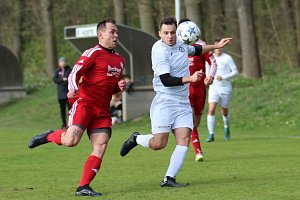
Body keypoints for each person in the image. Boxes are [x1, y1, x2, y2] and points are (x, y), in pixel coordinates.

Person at [120, 17, 232, 188]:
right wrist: (191, 78)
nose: (170, 36)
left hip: (182, 102)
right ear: (160, 33)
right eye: (166, 33)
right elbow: (166, 80)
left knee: (184, 138)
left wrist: (217, 46)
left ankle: (169, 178)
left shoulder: (181, 43)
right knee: (159, 144)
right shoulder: (159, 50)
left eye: (173, 32)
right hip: (165, 101)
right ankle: (136, 139)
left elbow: (196, 49)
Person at [28, 18, 126, 197]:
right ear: (101, 35)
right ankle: (49, 136)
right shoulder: (93, 53)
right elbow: (75, 72)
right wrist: (72, 87)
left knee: (101, 145)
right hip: (85, 104)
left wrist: (118, 87)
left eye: (116, 32)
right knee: (71, 141)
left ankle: (83, 186)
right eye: (112, 32)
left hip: (102, 110)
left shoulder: (120, 61)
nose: (116, 35)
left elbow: (109, 86)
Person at [178, 19, 218, 162]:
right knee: (189, 119)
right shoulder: (177, 46)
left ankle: (188, 141)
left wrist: (211, 77)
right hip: (185, 88)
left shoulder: (202, 46)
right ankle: (198, 152)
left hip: (200, 88)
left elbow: (213, 62)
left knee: (196, 121)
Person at [206, 38, 238, 142]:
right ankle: (211, 134)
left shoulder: (227, 58)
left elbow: (235, 72)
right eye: (217, 47)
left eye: (220, 47)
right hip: (214, 87)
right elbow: (207, 72)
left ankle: (226, 128)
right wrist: (207, 79)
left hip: (225, 87)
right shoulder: (209, 59)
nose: (218, 49)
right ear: (214, 47)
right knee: (211, 109)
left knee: (224, 110)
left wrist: (223, 77)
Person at [53, 57, 72, 129]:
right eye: (61, 62)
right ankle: (64, 124)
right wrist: (62, 79)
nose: (63, 63)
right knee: (62, 109)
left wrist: (63, 81)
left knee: (70, 109)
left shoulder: (70, 70)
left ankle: (70, 123)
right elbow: (55, 79)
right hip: (60, 94)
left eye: (64, 61)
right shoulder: (58, 71)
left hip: (68, 93)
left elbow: (69, 79)